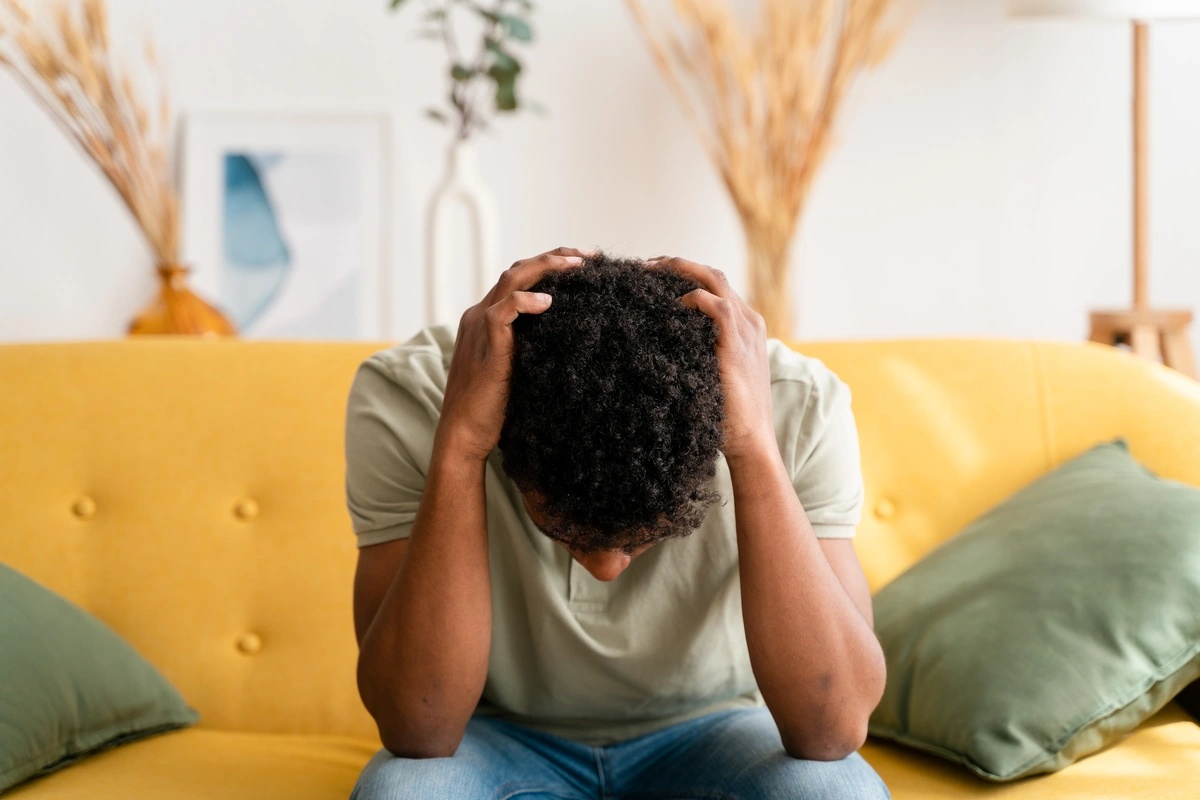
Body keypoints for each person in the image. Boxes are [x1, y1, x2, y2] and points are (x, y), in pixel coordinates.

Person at [344, 248, 889, 799]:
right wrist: (460, 445)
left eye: (644, 538)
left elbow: (831, 729)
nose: (606, 570)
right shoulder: (408, 393)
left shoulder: (801, 402)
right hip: (492, 734)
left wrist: (754, 448)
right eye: (565, 533)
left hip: (718, 728)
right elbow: (419, 726)